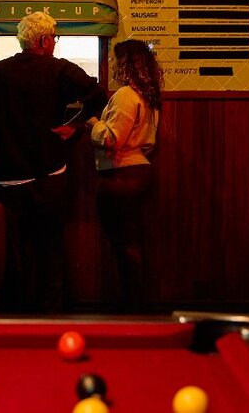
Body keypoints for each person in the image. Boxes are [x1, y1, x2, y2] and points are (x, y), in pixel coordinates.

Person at [0, 11, 107, 312]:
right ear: (44, 40)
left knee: (15, 251)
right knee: (50, 249)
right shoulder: (59, 69)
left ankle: (15, 315)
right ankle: (51, 315)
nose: (54, 44)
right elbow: (98, 95)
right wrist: (74, 126)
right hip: (48, 175)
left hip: (8, 177)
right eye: (54, 38)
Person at [86, 39, 162, 312]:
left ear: (126, 64)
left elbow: (111, 139)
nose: (114, 65)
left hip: (120, 175)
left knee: (123, 243)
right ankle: (136, 303)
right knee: (132, 241)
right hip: (141, 170)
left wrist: (94, 123)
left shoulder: (126, 95)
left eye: (117, 60)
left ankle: (132, 306)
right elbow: (150, 143)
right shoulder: (148, 95)